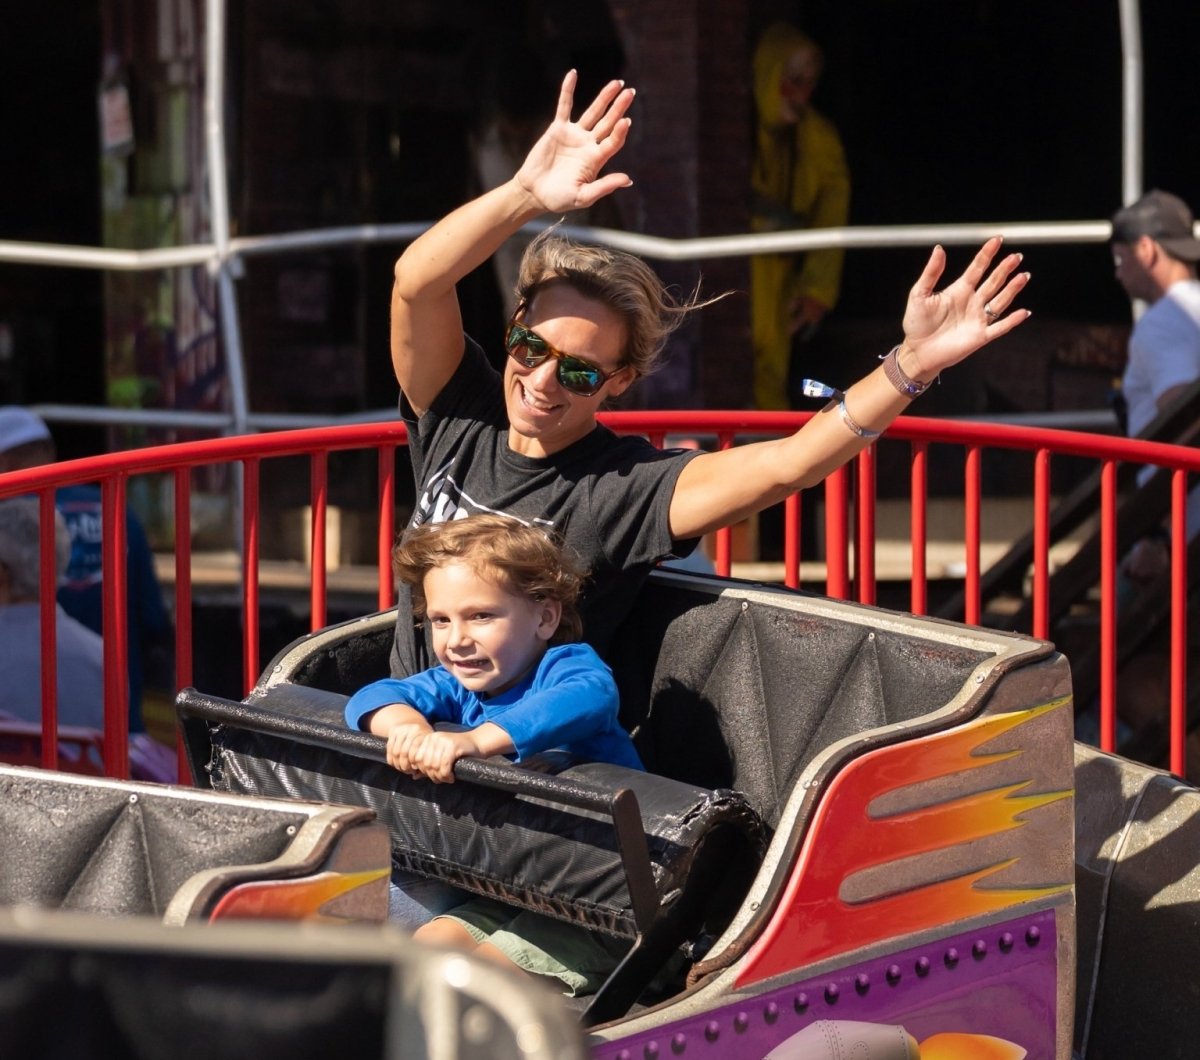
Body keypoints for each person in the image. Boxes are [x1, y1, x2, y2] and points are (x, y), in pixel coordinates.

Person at [386, 69, 1030, 697]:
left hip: (519, 761)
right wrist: (524, 195)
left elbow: (791, 465)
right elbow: (417, 282)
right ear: (515, 326)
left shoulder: (625, 488)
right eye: (530, 346)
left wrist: (913, 363)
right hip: (403, 729)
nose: (543, 379)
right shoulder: (463, 415)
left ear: (619, 382)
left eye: (580, 371)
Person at [345, 513, 637, 994]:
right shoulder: (457, 684)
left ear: (544, 617)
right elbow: (372, 696)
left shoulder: (565, 668)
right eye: (440, 620)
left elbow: (589, 696)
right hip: (517, 885)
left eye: (480, 616)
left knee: (472, 982)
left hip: (604, 904)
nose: (457, 640)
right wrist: (408, 729)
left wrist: (476, 741)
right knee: (426, 950)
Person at [0, 406, 173, 735]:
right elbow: (153, 618)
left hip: (24, 741)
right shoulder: (117, 507)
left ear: (5, 463)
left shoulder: (9, 522)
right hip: (115, 734)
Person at [749, 23, 851, 410]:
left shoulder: (818, 138)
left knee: (771, 374)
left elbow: (832, 216)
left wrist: (818, 290)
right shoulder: (735, 127)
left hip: (782, 275)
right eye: (793, 80)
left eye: (810, 82)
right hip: (735, 272)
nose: (802, 93)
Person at [1109, 189, 1200, 582]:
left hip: (1185, 534)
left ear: (1146, 250)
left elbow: (1185, 422)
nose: (1117, 272)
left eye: (1120, 258)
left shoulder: (1162, 322)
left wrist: (1159, 534)